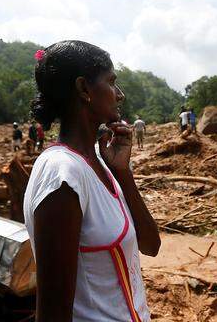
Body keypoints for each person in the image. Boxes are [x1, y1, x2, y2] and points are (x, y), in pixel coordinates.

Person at [23, 41, 160, 321]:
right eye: (111, 82)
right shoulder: (62, 175)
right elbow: (52, 314)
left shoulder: (100, 162)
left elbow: (151, 245)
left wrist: (123, 173)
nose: (119, 94)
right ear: (84, 89)